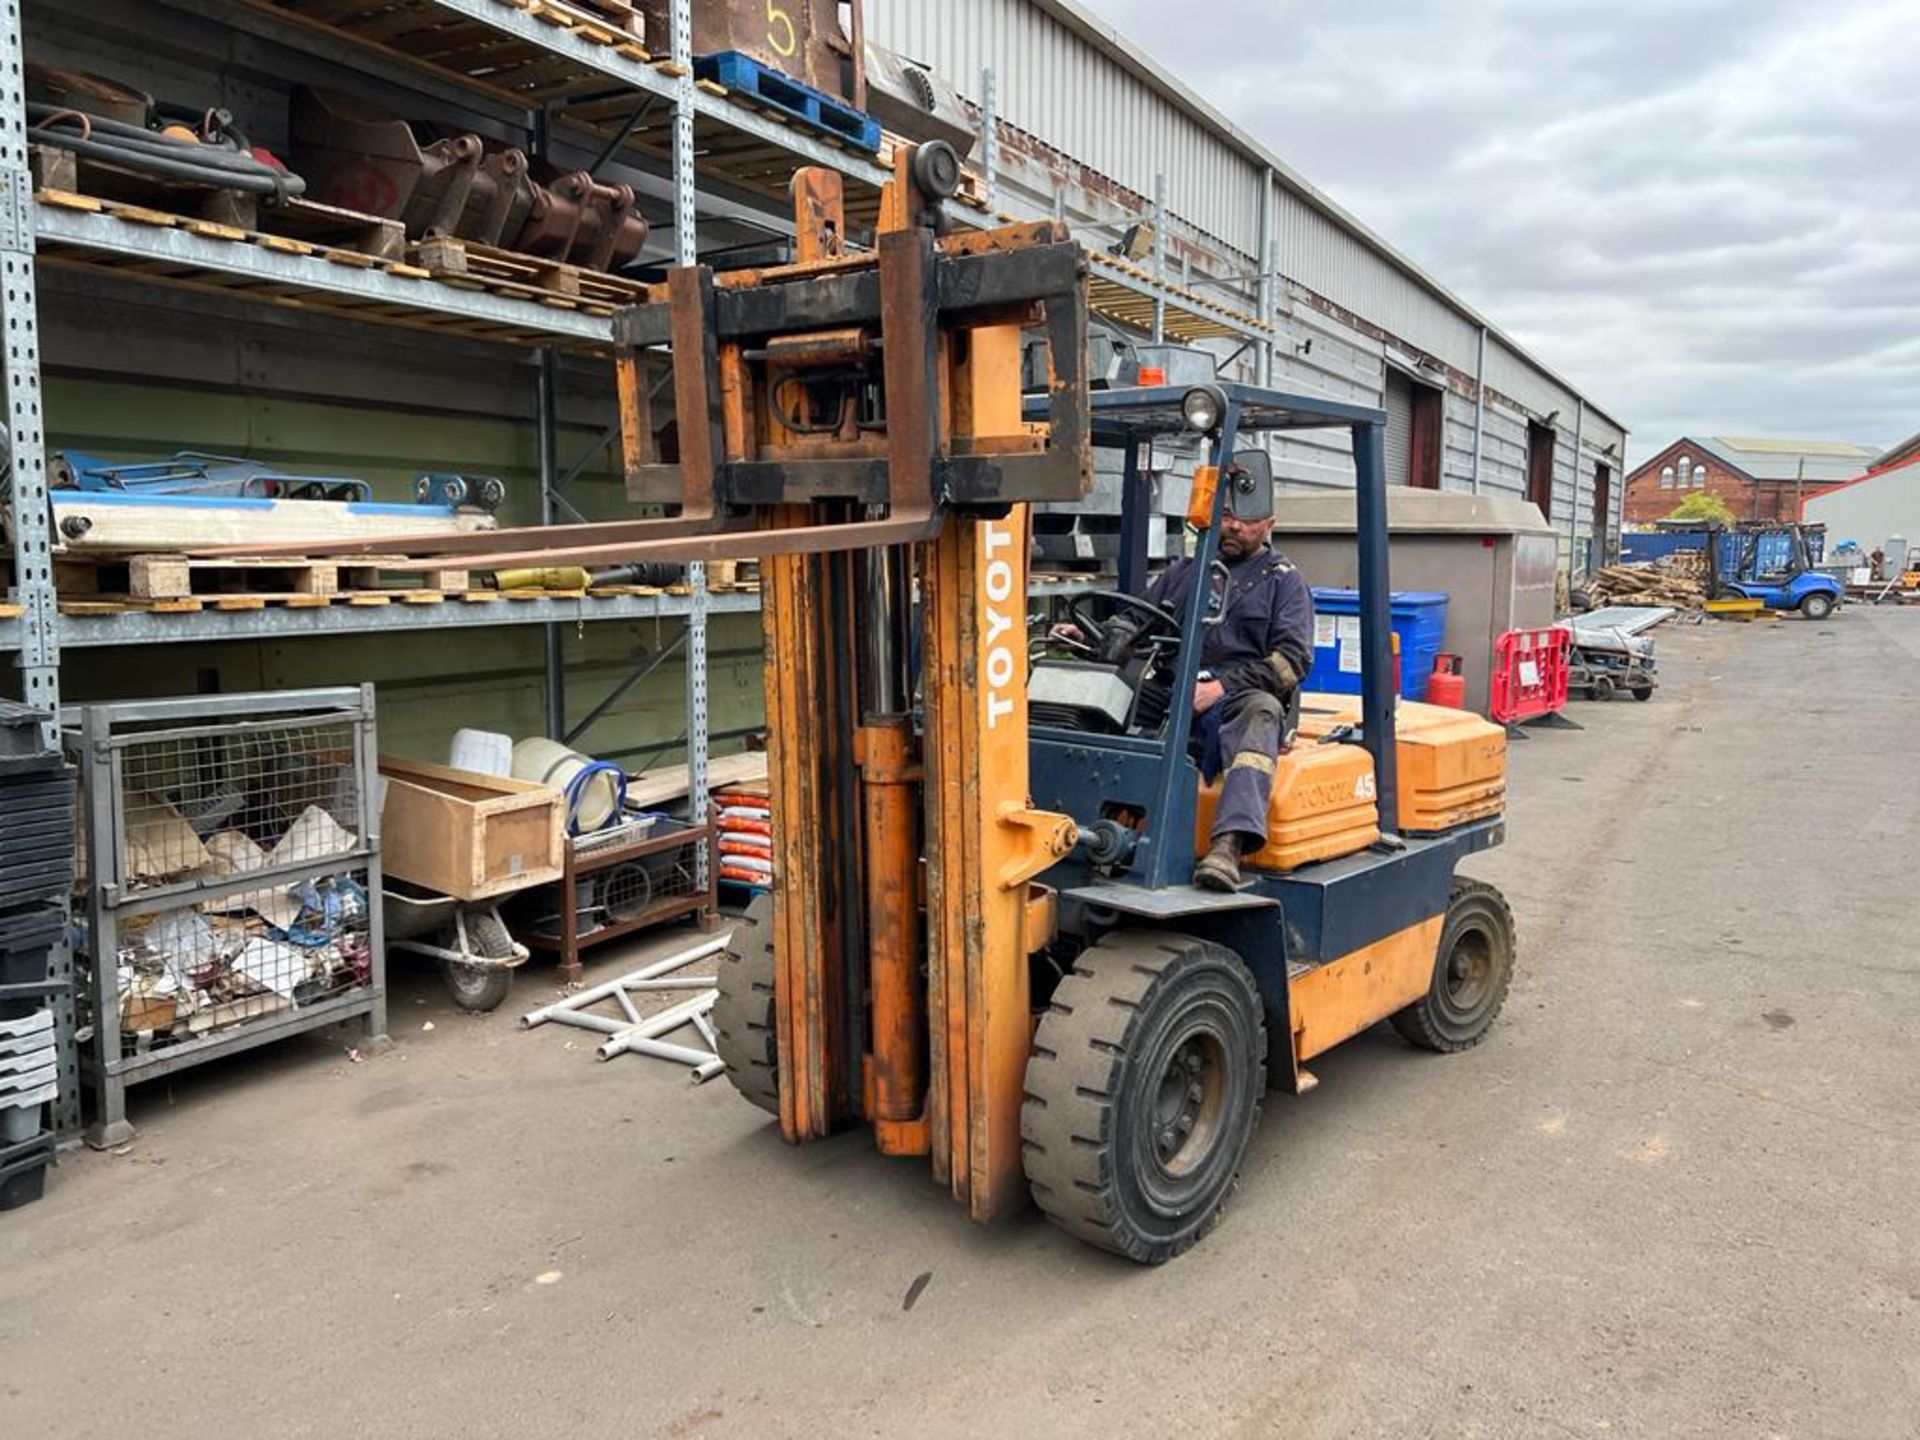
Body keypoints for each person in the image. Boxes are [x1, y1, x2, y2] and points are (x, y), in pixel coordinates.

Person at [1076, 463, 1316, 891]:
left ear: (1269, 525)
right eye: (1225, 516)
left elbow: (1290, 662)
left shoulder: (1285, 583)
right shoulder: (1186, 571)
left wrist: (1220, 688)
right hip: (1177, 686)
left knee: (1261, 713)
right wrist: (1100, 635)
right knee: (1108, 697)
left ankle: (1228, 844)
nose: (1233, 527)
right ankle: (1093, 824)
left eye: (1245, 519)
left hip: (1239, 696)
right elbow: (1138, 617)